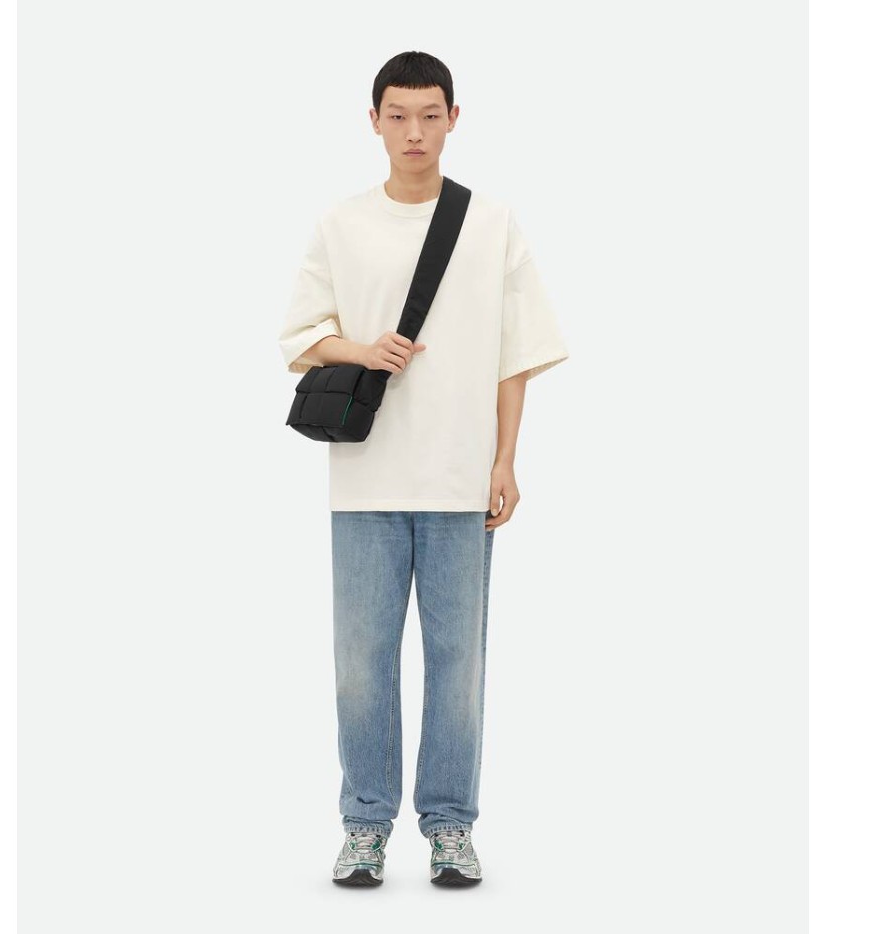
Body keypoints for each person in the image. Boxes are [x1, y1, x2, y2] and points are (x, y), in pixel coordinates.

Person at [278, 51, 570, 887]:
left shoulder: (492, 223)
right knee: (361, 667)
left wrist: (505, 460)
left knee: (458, 667)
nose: (414, 131)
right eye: (398, 115)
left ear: (453, 119)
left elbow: (517, 354)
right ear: (373, 120)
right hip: (365, 481)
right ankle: (365, 825)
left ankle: (449, 826)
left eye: (430, 114)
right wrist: (363, 350)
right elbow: (301, 336)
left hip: (458, 478)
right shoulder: (342, 225)